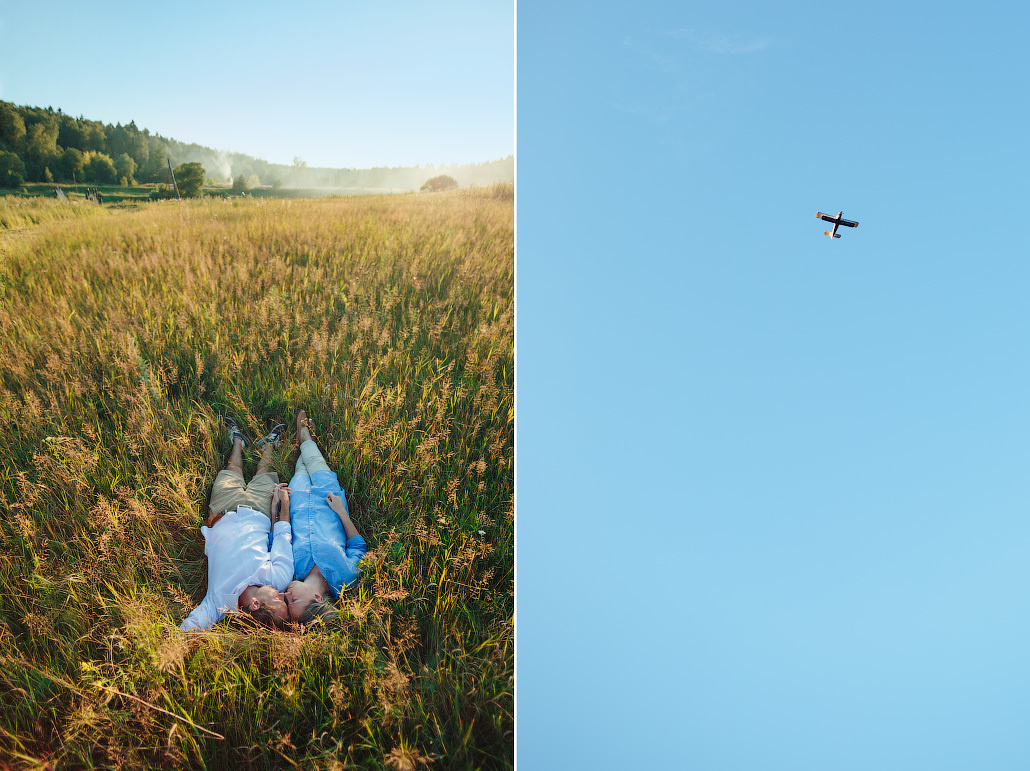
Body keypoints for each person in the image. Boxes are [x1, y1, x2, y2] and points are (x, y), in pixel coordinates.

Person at [180, 418, 293, 631]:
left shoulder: (219, 602)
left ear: (255, 604)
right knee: (264, 471)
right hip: (260, 510)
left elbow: (191, 627)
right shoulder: (278, 579)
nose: (283, 594)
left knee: (232, 470)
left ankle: (238, 442)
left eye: (279, 600)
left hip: (223, 510)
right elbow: (282, 535)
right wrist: (283, 503)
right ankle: (269, 444)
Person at [284, 410, 368, 624]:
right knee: (311, 453)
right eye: (293, 601)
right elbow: (358, 547)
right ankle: (303, 432)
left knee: (303, 462)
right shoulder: (346, 578)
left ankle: (303, 437)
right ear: (317, 598)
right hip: (328, 497)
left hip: (299, 497)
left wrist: (280, 505)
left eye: (286, 601)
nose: (286, 596)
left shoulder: (292, 572)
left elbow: (281, 537)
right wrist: (341, 511)